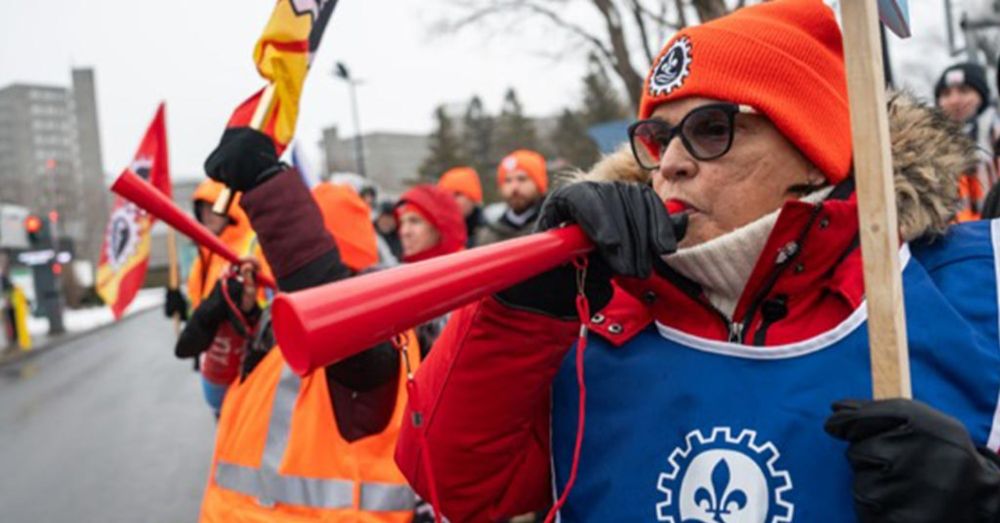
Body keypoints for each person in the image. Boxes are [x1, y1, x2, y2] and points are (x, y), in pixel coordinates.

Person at [395, 1, 1000, 522]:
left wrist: (985, 500)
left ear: (816, 154)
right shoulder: (589, 314)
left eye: (712, 130)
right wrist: (521, 306)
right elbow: (453, 488)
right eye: (658, 140)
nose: (672, 164)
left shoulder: (978, 284)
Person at [195, 126, 421, 522]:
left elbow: (330, 304)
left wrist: (267, 186)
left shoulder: (382, 330)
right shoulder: (284, 326)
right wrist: (237, 328)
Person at [168, 179, 271, 417]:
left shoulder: (251, 246)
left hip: (252, 362)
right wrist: (182, 307)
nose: (208, 216)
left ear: (231, 211)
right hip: (220, 365)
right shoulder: (203, 257)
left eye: (215, 208)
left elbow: (268, 300)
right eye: (202, 210)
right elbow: (200, 308)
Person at [395, 184, 467, 357]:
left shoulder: (466, 278)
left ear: (439, 226)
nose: (405, 232)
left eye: (415, 221)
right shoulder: (399, 278)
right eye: (402, 222)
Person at [935, 62, 997, 220]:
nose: (955, 100)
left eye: (964, 91)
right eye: (946, 93)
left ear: (982, 96)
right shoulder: (929, 148)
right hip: (956, 238)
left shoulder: (996, 136)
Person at [476, 150, 548, 245]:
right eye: (507, 181)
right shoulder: (489, 236)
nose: (514, 187)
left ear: (539, 185)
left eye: (522, 179)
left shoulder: (553, 226)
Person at [438, 166, 485, 247]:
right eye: (446, 195)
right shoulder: (435, 237)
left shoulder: (489, 236)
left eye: (457, 194)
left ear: (473, 198)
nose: (451, 200)